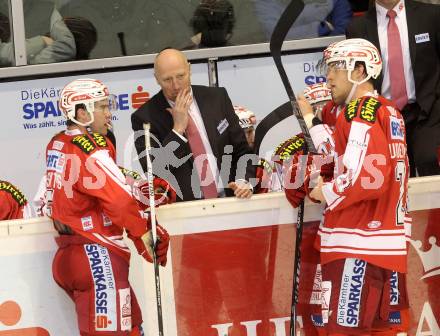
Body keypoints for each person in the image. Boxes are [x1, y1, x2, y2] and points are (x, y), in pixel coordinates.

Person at [286, 38, 410, 335]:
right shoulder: (389, 110)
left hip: (357, 245)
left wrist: (324, 190)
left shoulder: (359, 110)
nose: (328, 76)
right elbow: (350, 157)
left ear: (359, 69)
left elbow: (369, 176)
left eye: (335, 67)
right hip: (385, 245)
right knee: (381, 332)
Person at [44, 78, 170, 335]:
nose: (108, 112)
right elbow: (118, 200)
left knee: (132, 325)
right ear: (81, 112)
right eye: (101, 106)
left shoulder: (56, 143)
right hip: (97, 256)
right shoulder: (93, 151)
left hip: (71, 254)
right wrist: (142, 233)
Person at [131, 48, 255, 201]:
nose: (176, 85)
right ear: (156, 78)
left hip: (230, 200)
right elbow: (155, 172)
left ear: (189, 69)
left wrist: (243, 181)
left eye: (180, 76)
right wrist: (177, 130)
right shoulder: (144, 118)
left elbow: (243, 150)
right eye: (167, 79)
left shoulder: (217, 98)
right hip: (185, 212)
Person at [346, 0, 440, 176]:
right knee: (398, 173)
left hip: (428, 110)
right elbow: (358, 79)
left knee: (428, 161)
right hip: (385, 116)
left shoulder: (432, 16)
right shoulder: (356, 28)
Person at [254, 0, 353, 40]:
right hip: (276, 59)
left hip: (322, 58)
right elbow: (273, 34)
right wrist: (319, 29)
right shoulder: (265, 2)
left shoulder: (336, 1)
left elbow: (342, 33)